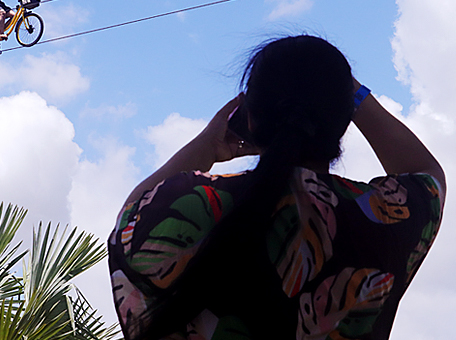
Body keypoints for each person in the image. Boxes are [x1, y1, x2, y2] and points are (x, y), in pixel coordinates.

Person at [108, 35, 445, 340]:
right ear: (341, 122)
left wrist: (207, 147)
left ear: (249, 117)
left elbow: (131, 216)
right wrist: (348, 91)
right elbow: (426, 173)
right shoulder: (379, 220)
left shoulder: (186, 204)